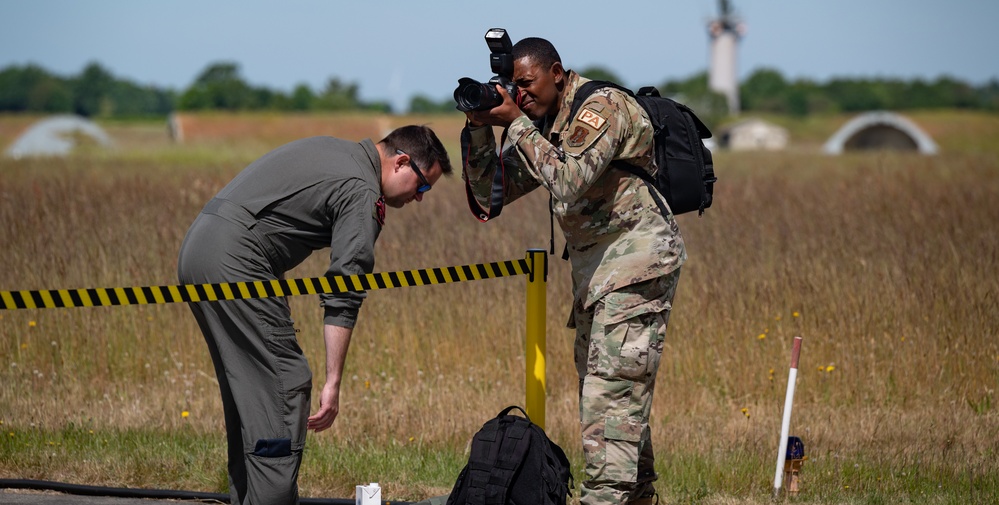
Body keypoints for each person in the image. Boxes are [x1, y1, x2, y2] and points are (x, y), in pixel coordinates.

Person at [461, 37, 686, 505]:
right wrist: (480, 127)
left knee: (608, 402)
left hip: (636, 266)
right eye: (512, 88)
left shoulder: (601, 108)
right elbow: (489, 194)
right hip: (596, 277)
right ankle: (638, 495)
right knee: (612, 399)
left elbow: (567, 182)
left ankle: (603, 498)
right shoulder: (543, 125)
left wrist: (518, 124)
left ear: (557, 73)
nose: (519, 96)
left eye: (526, 85)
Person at [178, 125, 452, 505]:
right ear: (401, 162)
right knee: (285, 384)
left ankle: (249, 497)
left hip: (201, 246)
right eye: (422, 187)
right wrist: (333, 381)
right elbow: (345, 286)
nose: (419, 199)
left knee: (250, 389)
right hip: (234, 259)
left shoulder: (336, 150)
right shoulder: (362, 190)